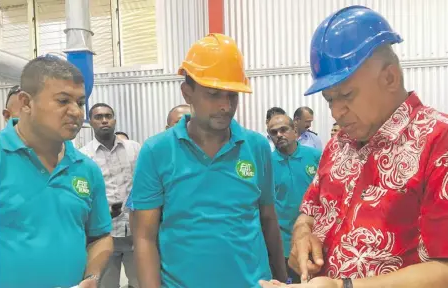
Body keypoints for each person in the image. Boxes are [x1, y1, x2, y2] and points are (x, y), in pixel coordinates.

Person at [260, 5, 448, 288]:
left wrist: (341, 287)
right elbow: (310, 211)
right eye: (329, 100)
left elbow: (443, 271)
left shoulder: (437, 142)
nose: (336, 112)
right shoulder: (338, 145)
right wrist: (302, 233)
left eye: (346, 95)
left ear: (390, 78)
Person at [130, 33, 287, 288]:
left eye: (232, 95)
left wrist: (281, 279)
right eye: (213, 94)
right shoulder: (156, 151)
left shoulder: (256, 146)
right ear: (187, 93)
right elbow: (144, 237)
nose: (226, 106)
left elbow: (268, 218)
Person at [0, 55, 113, 288]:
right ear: (26, 102)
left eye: (80, 103)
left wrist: (91, 278)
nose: (76, 112)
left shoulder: (87, 169)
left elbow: (100, 237)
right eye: (63, 101)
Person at [80, 103, 141, 288]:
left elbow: (145, 185)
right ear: (90, 122)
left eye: (108, 115)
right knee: (107, 285)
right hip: (103, 236)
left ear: (114, 119)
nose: (104, 120)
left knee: (142, 282)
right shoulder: (84, 156)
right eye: (98, 117)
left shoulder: (134, 149)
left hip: (136, 231)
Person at [267, 114, 321, 284]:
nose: (279, 135)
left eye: (284, 129)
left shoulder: (316, 156)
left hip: (315, 237)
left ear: (295, 131)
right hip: (284, 244)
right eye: (273, 132)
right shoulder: (266, 163)